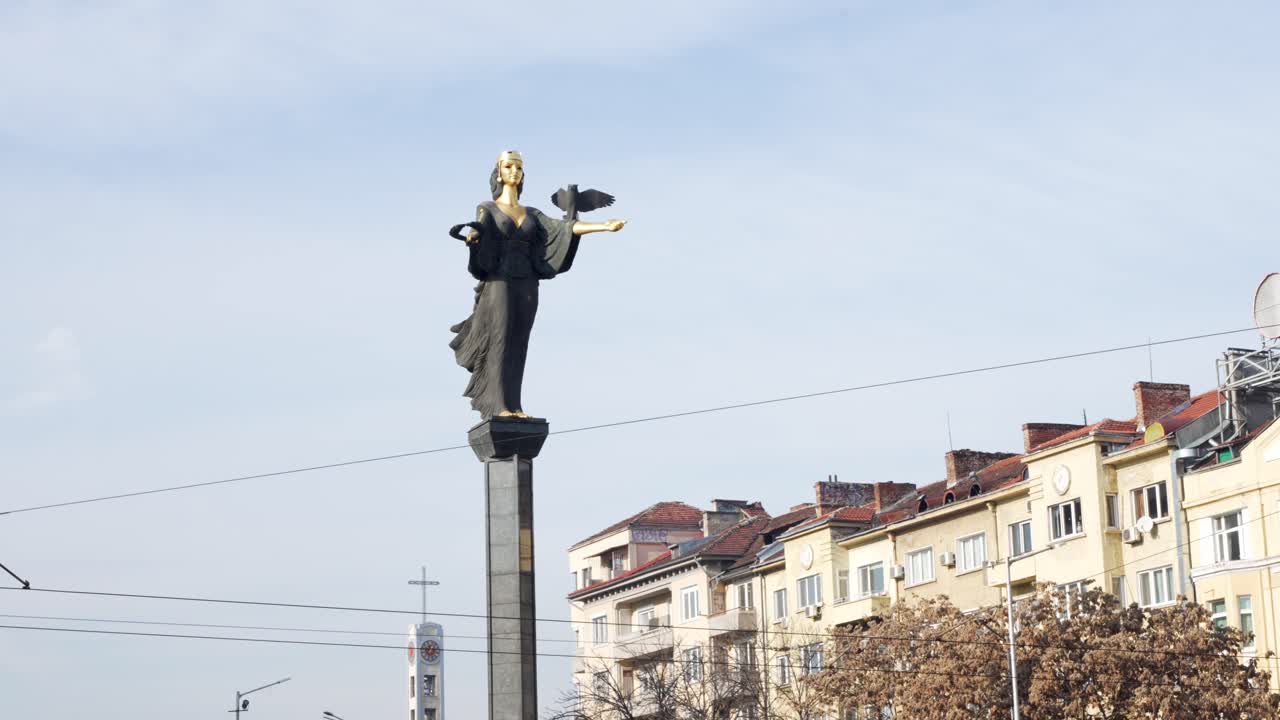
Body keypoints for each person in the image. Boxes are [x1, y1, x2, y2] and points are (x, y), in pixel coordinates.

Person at [449, 150, 625, 419]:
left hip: (527, 280)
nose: (514, 171)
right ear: (498, 172)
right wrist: (474, 237)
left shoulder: (531, 213)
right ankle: (497, 405)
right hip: (499, 281)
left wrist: (604, 226)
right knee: (501, 338)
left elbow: (563, 228)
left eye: (519, 167)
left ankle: (514, 405)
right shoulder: (488, 207)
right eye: (508, 166)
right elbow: (482, 230)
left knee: (519, 340)